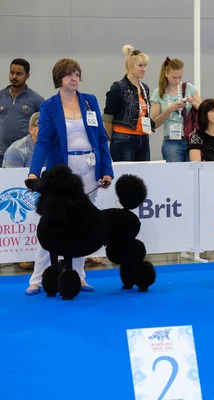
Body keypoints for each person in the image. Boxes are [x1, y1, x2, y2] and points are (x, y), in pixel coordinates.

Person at [25, 58, 113, 295]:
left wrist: (107, 170)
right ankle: (37, 278)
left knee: (82, 223)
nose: (73, 78)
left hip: (89, 166)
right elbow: (43, 141)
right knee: (51, 224)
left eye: (76, 74)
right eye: (68, 74)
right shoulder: (48, 106)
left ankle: (79, 276)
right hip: (62, 171)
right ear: (58, 79)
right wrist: (34, 171)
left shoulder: (90, 101)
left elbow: (102, 139)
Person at [103, 45, 152, 162]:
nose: (144, 69)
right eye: (140, 65)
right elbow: (108, 117)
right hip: (123, 138)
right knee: (125, 175)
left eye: (145, 65)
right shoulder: (118, 87)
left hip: (143, 137)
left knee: (144, 176)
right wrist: (114, 137)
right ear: (130, 66)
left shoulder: (145, 88)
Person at [150, 57, 201, 162]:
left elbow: (204, 111)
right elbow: (154, 123)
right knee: (175, 175)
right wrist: (169, 110)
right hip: (171, 140)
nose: (177, 81)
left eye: (180, 77)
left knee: (193, 174)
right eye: (174, 77)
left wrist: (194, 103)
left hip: (192, 138)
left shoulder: (189, 88)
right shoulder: (158, 93)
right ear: (166, 73)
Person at [0, 58, 44, 166]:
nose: (14, 77)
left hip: (24, 155)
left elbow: (42, 127)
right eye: (12, 72)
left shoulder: (36, 100)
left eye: (19, 74)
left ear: (27, 76)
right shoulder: (0, 96)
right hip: (1, 153)